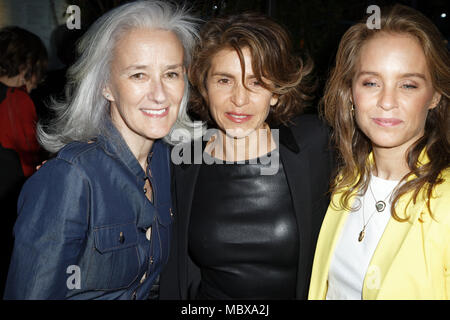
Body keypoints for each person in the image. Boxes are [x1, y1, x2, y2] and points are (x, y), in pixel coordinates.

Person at [4, 0, 199, 300]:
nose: (160, 94)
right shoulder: (70, 179)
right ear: (106, 86)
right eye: (139, 75)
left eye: (171, 74)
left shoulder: (164, 162)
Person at [159, 12, 334, 300]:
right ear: (204, 87)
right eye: (224, 80)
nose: (239, 99)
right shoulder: (181, 160)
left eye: (256, 82)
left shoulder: (317, 145)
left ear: (276, 92)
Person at [308, 4, 450, 300]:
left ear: (435, 95)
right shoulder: (342, 180)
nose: (387, 101)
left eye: (408, 85)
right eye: (371, 82)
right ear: (350, 93)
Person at [0, 26, 47, 177]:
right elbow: (29, 157)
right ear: (26, 66)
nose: (38, 81)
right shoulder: (16, 99)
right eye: (39, 70)